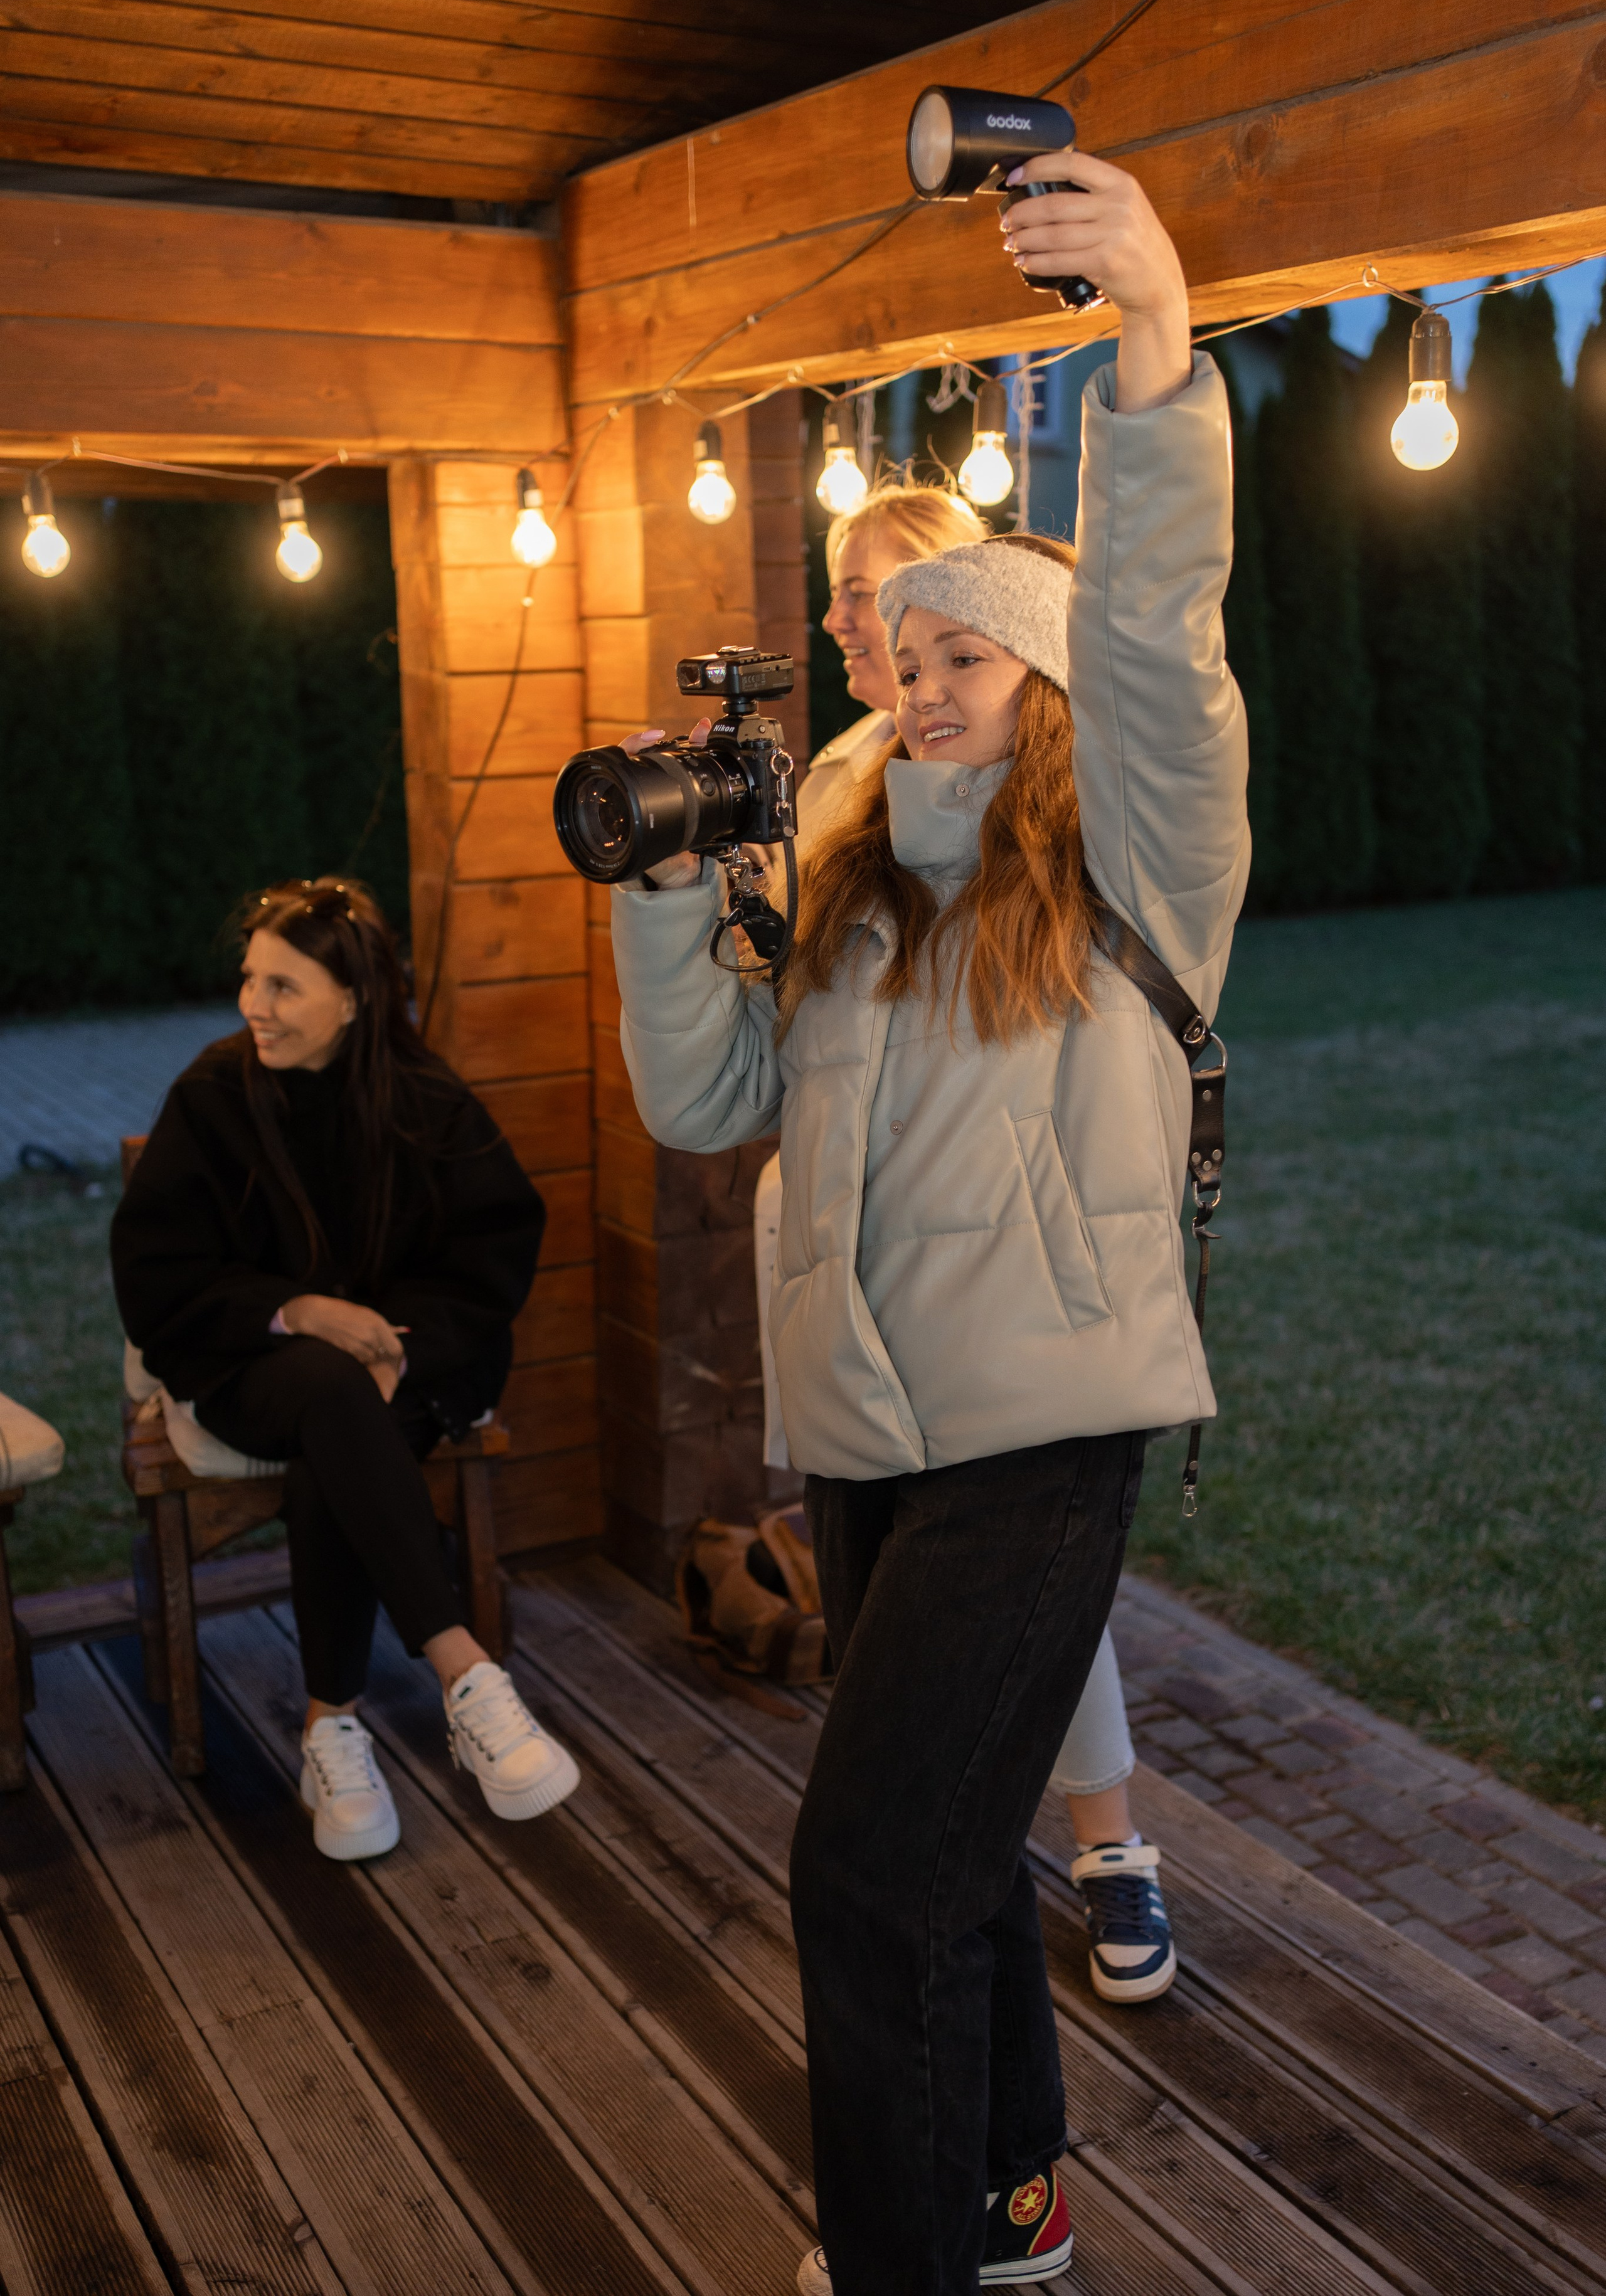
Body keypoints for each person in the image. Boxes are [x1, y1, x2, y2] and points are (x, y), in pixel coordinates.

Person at [609, 145, 1247, 2295]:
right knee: (958, 1868)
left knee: (865, 1873)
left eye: (973, 649)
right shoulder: (856, 873)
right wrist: (665, 900)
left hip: (1040, 1431)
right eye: (908, 647)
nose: (923, 671)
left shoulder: (1136, 854)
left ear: (1052, 681)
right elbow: (705, 1107)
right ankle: (1017, 2206)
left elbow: (1160, 623)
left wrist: (1151, 336)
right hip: (871, 1427)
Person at [760, 478, 1177, 2009]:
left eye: (941, 635)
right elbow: (736, 1078)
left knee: (895, 1833)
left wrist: (1145, 334)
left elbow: (1160, 657)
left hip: (1023, 1368)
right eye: (875, 618)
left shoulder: (1104, 833)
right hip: (859, 1353)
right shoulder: (838, 805)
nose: (875, 640)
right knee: (930, 1825)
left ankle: (1114, 1841)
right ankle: (1009, 2191)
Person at [112, 877, 580, 1863]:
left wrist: (402, 1347)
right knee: (328, 1391)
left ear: (354, 999)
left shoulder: (423, 1099)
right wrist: (298, 1311)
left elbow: (493, 1250)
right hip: (253, 1361)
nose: (253, 1006)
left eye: (283, 987)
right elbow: (158, 1274)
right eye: (249, 981)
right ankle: (466, 1674)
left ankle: (332, 1728)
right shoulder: (211, 1095)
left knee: (342, 1429)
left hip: (405, 1364)